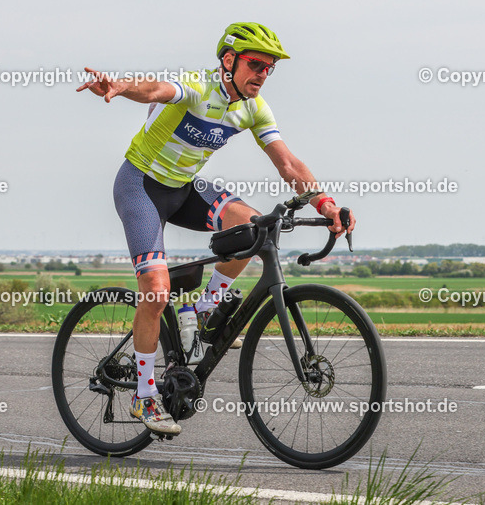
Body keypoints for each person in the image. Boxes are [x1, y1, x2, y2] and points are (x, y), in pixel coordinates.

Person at [77, 22, 355, 435]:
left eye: (269, 68)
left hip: (184, 189)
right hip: (141, 185)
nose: (262, 74)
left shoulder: (254, 108)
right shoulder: (198, 86)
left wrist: (325, 203)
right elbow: (155, 90)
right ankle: (143, 394)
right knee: (155, 291)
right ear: (229, 61)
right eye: (255, 64)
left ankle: (205, 311)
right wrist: (118, 86)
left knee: (253, 225)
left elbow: (288, 164)